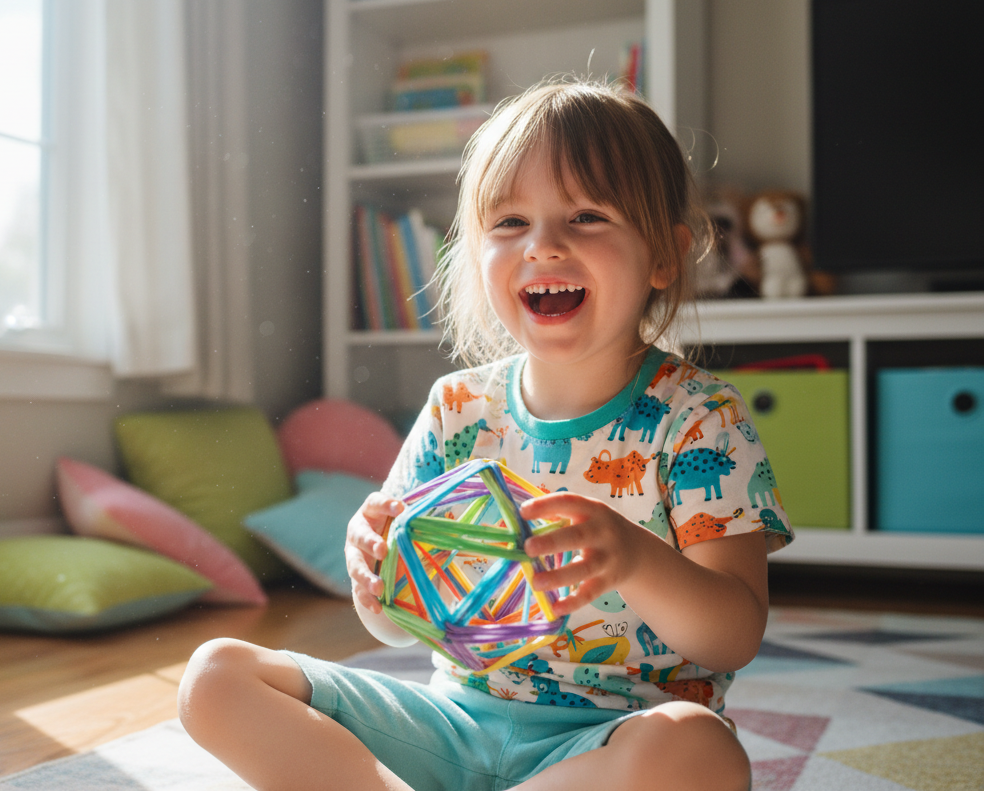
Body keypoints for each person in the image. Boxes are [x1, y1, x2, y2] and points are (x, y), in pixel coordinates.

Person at [177, 78, 794, 791]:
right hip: (455, 724)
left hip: (612, 743)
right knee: (216, 675)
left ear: (663, 255)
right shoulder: (456, 407)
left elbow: (734, 635)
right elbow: (401, 629)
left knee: (702, 755)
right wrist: (375, 585)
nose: (543, 246)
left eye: (587, 216)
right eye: (509, 224)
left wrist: (633, 558)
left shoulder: (701, 418)